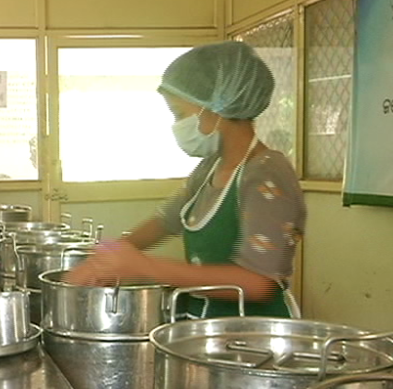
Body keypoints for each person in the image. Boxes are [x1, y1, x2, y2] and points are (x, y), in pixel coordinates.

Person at [65, 41, 306, 319]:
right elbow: (164, 221)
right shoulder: (210, 168)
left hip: (254, 336)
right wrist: (106, 259)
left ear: (219, 107)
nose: (176, 125)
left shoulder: (267, 173)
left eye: (180, 114)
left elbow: (259, 283)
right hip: (204, 325)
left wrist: (143, 267)